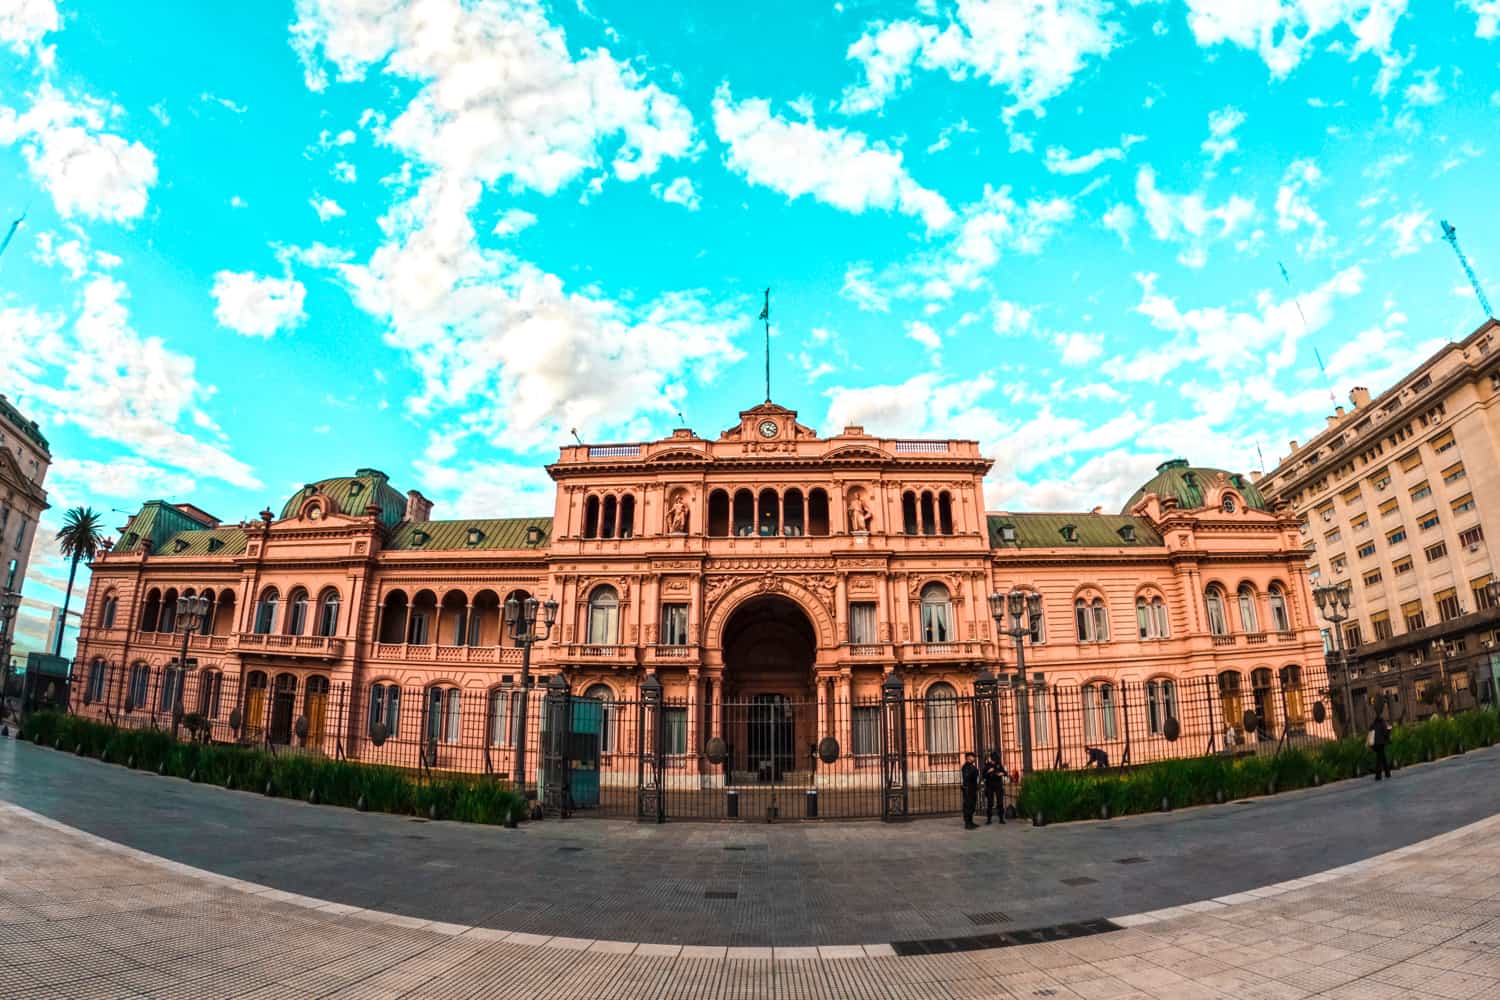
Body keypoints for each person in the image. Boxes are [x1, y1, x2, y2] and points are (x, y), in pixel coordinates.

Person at [982, 750, 1006, 824]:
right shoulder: (987, 765)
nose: (994, 761)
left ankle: (1001, 818)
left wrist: (1001, 773)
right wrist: (988, 771)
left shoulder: (999, 765)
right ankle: (989, 819)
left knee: (1000, 802)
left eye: (996, 759)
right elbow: (983, 776)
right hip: (990, 786)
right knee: (990, 802)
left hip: (998, 785)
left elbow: (1005, 773)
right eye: (993, 759)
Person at [1369, 712, 1393, 781]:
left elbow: (1370, 732)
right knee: (1380, 759)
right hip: (1381, 743)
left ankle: (1386, 773)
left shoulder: (1373, 725)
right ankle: (1379, 775)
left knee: (1382, 758)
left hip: (1375, 744)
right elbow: (1386, 733)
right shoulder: (1383, 724)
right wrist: (1389, 731)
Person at [961, 751, 980, 829]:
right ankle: (967, 824)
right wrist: (974, 772)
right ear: (968, 758)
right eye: (973, 757)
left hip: (972, 788)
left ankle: (971, 822)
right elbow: (967, 777)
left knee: (972, 806)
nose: (974, 758)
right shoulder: (966, 767)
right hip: (968, 789)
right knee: (968, 806)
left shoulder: (971, 766)